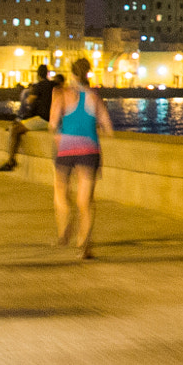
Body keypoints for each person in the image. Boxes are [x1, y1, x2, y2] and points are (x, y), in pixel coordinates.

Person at [47, 57, 112, 259]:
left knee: (60, 190)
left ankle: (65, 223)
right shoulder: (95, 97)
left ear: (73, 74)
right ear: (88, 74)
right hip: (89, 148)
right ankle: (84, 245)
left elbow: (52, 123)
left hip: (66, 147)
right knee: (86, 201)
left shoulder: (63, 94)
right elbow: (108, 127)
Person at [0, 63, 55, 171]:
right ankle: (11, 160)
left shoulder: (38, 86)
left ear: (38, 75)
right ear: (47, 74)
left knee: (15, 130)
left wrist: (31, 92)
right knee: (16, 125)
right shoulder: (52, 85)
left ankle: (11, 161)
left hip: (42, 119)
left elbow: (29, 101)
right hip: (51, 118)